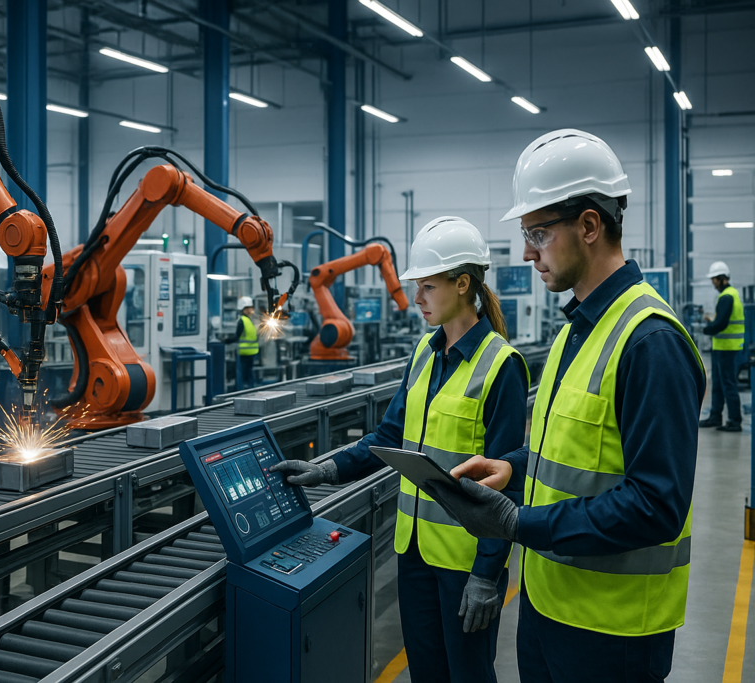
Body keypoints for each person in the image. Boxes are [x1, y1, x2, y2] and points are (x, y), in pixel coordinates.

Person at [426, 129, 705, 683]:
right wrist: (516, 468)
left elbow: (657, 504)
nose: (527, 251)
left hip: (613, 634)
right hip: (549, 607)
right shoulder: (576, 331)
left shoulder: (649, 342)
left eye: (538, 232)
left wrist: (516, 522)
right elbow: (573, 451)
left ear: (590, 226)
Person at [272, 216, 529, 683]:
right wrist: (326, 468)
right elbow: (390, 437)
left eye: (428, 287)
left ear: (463, 284)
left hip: (463, 562)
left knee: (468, 675)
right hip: (413, 553)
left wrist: (487, 574)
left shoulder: (501, 366)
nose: (417, 299)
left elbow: (507, 482)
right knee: (427, 674)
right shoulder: (425, 353)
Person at [700, 261, 744, 432]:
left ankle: (734, 420)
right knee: (718, 384)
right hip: (722, 347)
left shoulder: (727, 296)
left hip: (727, 348)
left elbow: (722, 324)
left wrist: (706, 329)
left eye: (714, 279)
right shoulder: (728, 295)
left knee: (728, 384)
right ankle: (715, 416)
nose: (713, 282)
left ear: (722, 279)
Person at [232, 296, 259, 390]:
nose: (251, 310)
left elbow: (236, 337)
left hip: (245, 353)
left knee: (242, 375)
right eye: (248, 308)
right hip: (250, 353)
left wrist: (225, 341)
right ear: (243, 309)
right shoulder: (248, 321)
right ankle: (249, 391)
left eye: (251, 307)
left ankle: (241, 392)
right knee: (248, 375)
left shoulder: (243, 321)